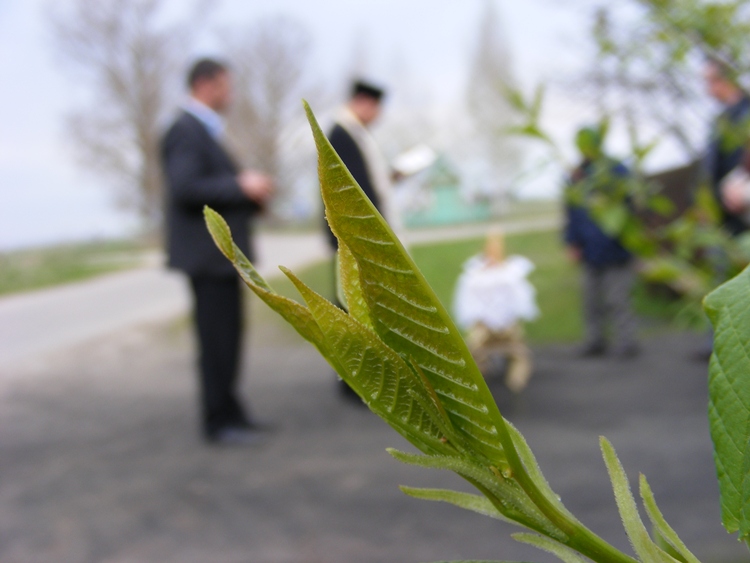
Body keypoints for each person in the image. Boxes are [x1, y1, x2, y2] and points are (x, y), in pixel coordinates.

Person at [161, 58, 274, 445]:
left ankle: (232, 412)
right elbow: (187, 188)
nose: (231, 94)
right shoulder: (184, 130)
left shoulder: (203, 131)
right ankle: (218, 421)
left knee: (229, 336)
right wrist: (241, 184)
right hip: (207, 258)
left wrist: (250, 195)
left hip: (219, 259)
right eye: (227, 85)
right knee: (216, 340)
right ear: (207, 85)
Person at [325, 79, 396, 402]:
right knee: (354, 309)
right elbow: (351, 193)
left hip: (359, 237)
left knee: (364, 310)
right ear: (364, 103)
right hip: (353, 238)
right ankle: (354, 383)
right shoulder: (342, 134)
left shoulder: (354, 134)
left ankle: (364, 379)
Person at [564, 126, 639, 359]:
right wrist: (572, 241)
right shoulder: (577, 175)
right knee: (590, 299)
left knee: (617, 298)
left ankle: (626, 342)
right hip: (589, 248)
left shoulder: (616, 170)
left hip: (616, 247)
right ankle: (595, 341)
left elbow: (629, 207)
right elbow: (571, 210)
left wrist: (628, 236)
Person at [453, 230, 538, 393]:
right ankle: (474, 382)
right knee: (473, 350)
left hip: (508, 326)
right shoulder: (474, 274)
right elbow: (469, 302)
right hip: (483, 327)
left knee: (519, 353)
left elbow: (518, 300)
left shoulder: (511, 272)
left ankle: (516, 383)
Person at [703, 58, 750, 236]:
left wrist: (742, 187)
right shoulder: (721, 121)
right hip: (729, 217)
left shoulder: (745, 113)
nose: (707, 90)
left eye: (709, 81)